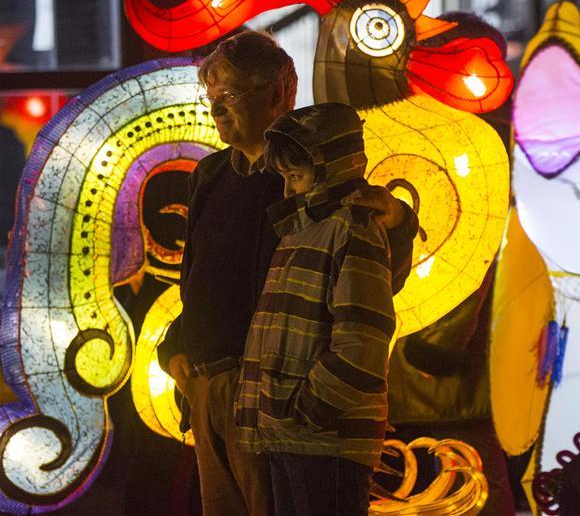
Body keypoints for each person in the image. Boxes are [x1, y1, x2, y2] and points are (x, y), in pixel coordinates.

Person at [158, 31, 416, 516]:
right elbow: (198, 280)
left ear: (279, 91)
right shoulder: (209, 176)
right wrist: (176, 350)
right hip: (206, 386)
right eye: (211, 98)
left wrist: (398, 221)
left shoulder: (315, 174)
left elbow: (374, 280)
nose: (216, 110)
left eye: (229, 96)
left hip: (275, 393)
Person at [235, 103, 401, 516]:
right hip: (290, 431)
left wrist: (308, 409)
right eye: (286, 177)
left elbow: (362, 340)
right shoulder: (298, 231)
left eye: (297, 176)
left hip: (326, 438)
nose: (289, 190)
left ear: (332, 168)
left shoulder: (352, 228)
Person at [385, 266, 516, 515]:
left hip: (440, 379)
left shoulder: (462, 231)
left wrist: (434, 349)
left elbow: (464, 278)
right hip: (418, 379)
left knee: (474, 484)